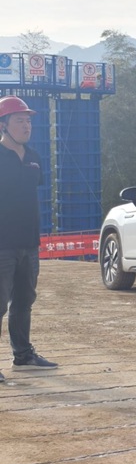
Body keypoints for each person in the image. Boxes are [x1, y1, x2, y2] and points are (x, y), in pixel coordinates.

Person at [0, 95, 58, 384]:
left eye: (28, 121)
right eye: (19, 120)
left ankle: (23, 355)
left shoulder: (34, 157)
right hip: (2, 244)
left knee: (24, 301)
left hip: (29, 243)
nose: (26, 126)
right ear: (3, 125)